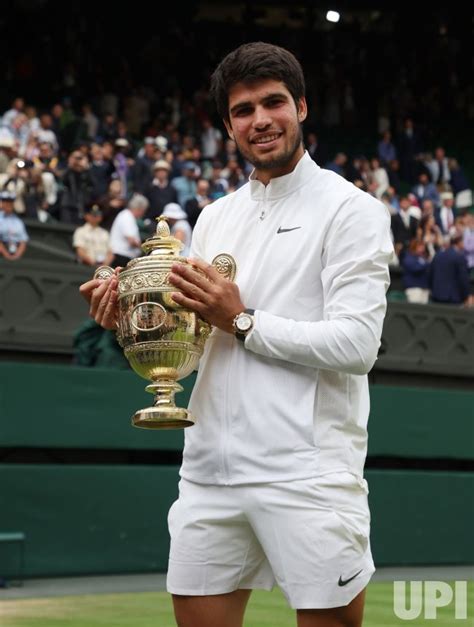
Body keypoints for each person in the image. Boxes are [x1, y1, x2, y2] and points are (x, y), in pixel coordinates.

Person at [79, 42, 393, 627]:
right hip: (208, 472)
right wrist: (135, 319)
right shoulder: (216, 216)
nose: (261, 120)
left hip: (307, 472)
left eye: (273, 102)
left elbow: (357, 346)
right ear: (228, 125)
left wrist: (242, 321)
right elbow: (192, 350)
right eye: (243, 110)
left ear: (301, 107)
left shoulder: (353, 211)